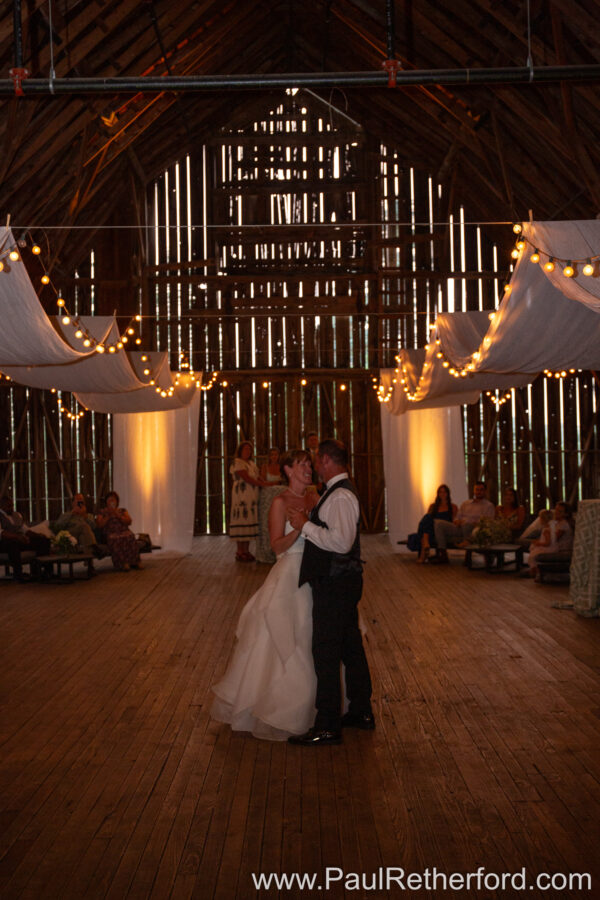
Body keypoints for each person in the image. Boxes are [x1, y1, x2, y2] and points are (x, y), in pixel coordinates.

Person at [211, 450, 318, 739]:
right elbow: (276, 546)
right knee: (286, 640)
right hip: (290, 573)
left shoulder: (315, 497)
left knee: (315, 639)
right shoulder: (280, 502)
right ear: (287, 470)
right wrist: (299, 528)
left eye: (310, 464)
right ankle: (282, 706)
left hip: (316, 574)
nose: (308, 468)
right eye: (302, 465)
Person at [287, 439, 374, 746]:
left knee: (325, 651)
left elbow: (341, 543)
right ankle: (361, 710)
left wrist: (304, 525)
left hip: (336, 584)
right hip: (344, 581)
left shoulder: (339, 497)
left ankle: (327, 724)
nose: (314, 467)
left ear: (325, 460)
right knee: (351, 647)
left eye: (316, 462)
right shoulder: (339, 493)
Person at [431, 481, 496, 564]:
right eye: (477, 490)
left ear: (485, 491)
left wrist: (474, 523)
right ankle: (443, 555)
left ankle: (468, 556)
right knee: (438, 523)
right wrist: (457, 521)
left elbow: (488, 522)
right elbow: (456, 517)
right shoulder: (466, 503)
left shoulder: (488, 506)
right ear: (474, 491)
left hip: (473, 528)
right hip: (459, 527)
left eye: (481, 490)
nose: (478, 492)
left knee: (467, 525)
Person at [229, 441, 267, 562]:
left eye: (249, 450)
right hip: (241, 495)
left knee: (249, 519)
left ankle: (246, 550)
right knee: (242, 518)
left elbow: (257, 476)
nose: (247, 452)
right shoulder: (238, 462)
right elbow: (247, 478)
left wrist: (265, 482)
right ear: (240, 451)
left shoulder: (251, 463)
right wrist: (262, 484)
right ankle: (240, 551)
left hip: (251, 496)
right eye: (245, 449)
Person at [0, 495, 52, 581]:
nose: (11, 508)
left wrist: (38, 535)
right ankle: (18, 574)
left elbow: (25, 529)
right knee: (13, 544)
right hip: (4, 543)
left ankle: (39, 571)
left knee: (43, 541)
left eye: (12, 505)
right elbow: (1, 533)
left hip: (18, 539)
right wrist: (18, 537)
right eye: (9, 506)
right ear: (2, 506)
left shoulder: (16, 515)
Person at [522, 501, 574, 579]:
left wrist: (543, 539)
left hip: (561, 547)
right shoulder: (557, 523)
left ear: (566, 514)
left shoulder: (564, 524)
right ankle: (534, 570)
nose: (556, 512)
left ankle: (535, 571)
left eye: (560, 511)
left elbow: (554, 539)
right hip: (554, 545)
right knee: (533, 546)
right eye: (556, 510)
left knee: (535, 551)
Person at [96, 491, 141, 572]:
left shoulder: (122, 511)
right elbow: (99, 524)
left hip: (123, 530)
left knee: (130, 536)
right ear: (106, 502)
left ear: (117, 501)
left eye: (113, 500)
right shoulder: (102, 512)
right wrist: (109, 515)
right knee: (116, 539)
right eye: (109, 500)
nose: (111, 502)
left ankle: (135, 561)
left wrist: (119, 516)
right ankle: (122, 563)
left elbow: (129, 521)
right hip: (111, 532)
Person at [415, 484, 457, 564]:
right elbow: (426, 522)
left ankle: (423, 553)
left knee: (429, 518)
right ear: (438, 494)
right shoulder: (433, 506)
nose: (442, 494)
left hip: (441, 529)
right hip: (431, 529)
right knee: (428, 517)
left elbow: (453, 521)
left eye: (444, 492)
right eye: (440, 492)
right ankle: (426, 544)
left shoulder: (453, 507)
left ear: (448, 493)